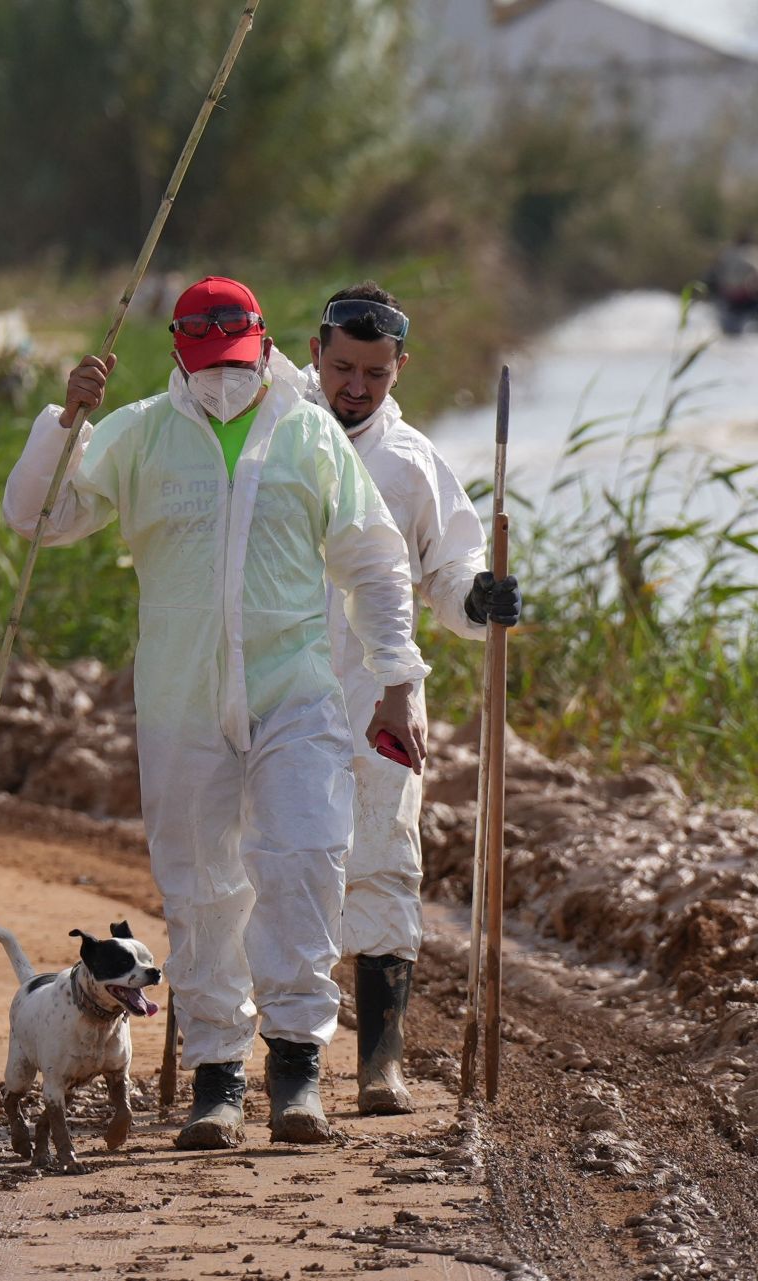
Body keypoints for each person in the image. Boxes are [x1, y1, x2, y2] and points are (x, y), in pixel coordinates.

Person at [0, 277, 428, 1150]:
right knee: (201, 884)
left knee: (307, 857)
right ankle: (217, 1077)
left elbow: (374, 560)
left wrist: (396, 676)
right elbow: (36, 517)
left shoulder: (308, 432)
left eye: (238, 362)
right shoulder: (142, 432)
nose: (225, 380)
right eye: (207, 364)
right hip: (181, 696)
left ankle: (297, 1066)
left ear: (266, 346)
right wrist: (65, 423)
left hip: (295, 687)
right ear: (177, 355)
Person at [276, 283, 519, 1115]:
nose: (355, 386)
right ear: (315, 350)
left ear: (399, 367)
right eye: (342, 366)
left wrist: (477, 598)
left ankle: (380, 1061)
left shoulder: (414, 462)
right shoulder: (270, 436)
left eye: (374, 372)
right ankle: (261, 1064)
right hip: (274, 696)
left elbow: (448, 573)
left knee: (384, 863)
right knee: (270, 871)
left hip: (383, 700)